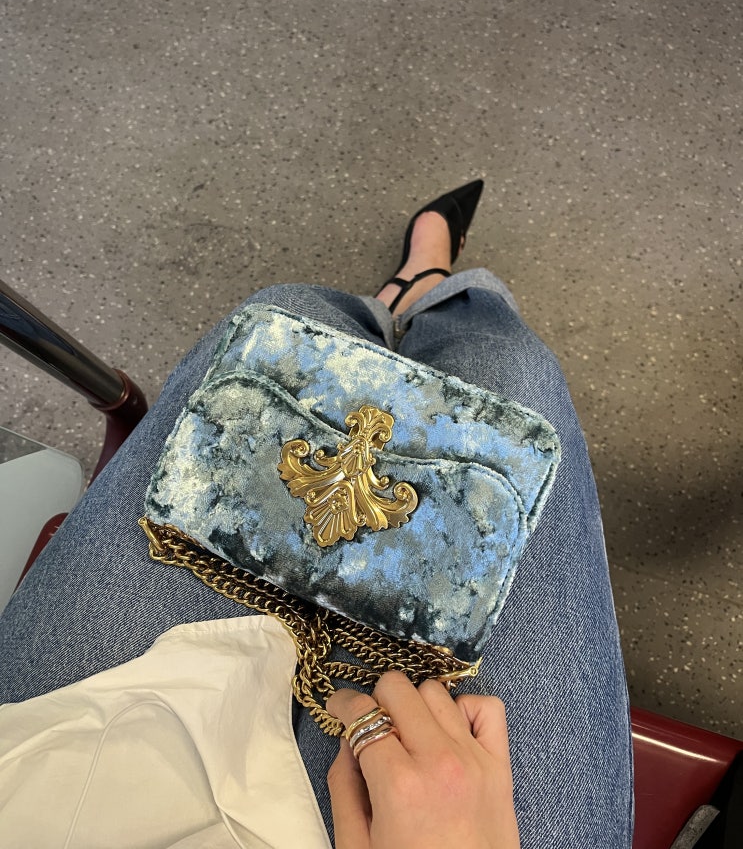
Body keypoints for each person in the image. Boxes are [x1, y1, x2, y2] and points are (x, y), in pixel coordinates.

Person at [0, 181, 633, 848]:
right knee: (514, 371)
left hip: (68, 776)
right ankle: (435, 289)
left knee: (286, 313)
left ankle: (402, 295)